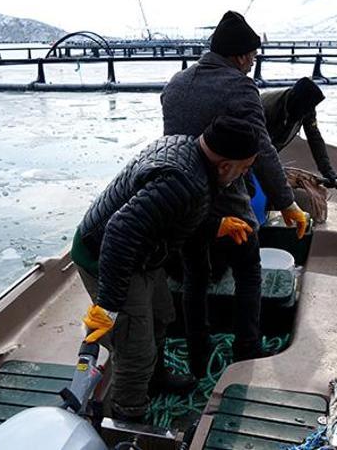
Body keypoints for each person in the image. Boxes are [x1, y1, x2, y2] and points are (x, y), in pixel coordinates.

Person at [72, 116, 258, 422]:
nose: (246, 174)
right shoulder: (185, 181)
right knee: (136, 349)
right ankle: (127, 417)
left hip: (144, 253)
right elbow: (120, 231)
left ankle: (155, 380)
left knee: (161, 316)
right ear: (225, 165)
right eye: (245, 167)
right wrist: (109, 306)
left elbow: (164, 213)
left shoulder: (188, 146)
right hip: (107, 255)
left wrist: (215, 225)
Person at [160, 11, 309, 374]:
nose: (253, 64)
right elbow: (261, 151)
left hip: (183, 198)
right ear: (241, 56)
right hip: (226, 201)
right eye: (253, 57)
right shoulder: (241, 87)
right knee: (249, 269)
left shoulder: (176, 83)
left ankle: (197, 355)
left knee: (196, 274)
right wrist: (288, 204)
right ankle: (246, 350)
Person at [260, 77, 337, 188]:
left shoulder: (306, 108)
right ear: (294, 101)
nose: (305, 115)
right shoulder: (267, 108)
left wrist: (327, 170)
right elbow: (262, 148)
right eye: (304, 111)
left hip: (271, 147)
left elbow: (314, 137)